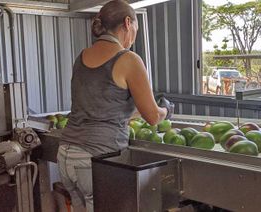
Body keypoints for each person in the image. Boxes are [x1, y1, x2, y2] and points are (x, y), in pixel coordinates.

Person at [56, 1, 174, 211]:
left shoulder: (81, 57)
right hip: (96, 160)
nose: (134, 34)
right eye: (135, 28)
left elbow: (104, 108)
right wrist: (166, 110)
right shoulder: (128, 59)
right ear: (128, 23)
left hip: (67, 156)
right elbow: (154, 117)